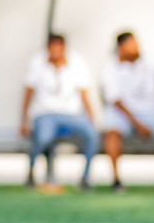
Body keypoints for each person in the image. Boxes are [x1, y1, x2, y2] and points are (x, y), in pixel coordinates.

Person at [99, 31, 154, 193]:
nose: (136, 48)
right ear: (121, 47)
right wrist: (137, 124)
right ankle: (116, 181)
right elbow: (116, 101)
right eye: (131, 44)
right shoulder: (110, 68)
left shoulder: (152, 60)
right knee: (111, 132)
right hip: (126, 115)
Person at [19, 33, 97, 188]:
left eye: (58, 47)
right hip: (45, 113)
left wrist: (91, 118)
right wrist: (24, 121)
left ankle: (85, 178)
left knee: (92, 135)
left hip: (72, 114)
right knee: (43, 138)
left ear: (64, 48)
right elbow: (28, 92)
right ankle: (31, 172)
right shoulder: (37, 62)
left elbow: (84, 93)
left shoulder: (77, 62)